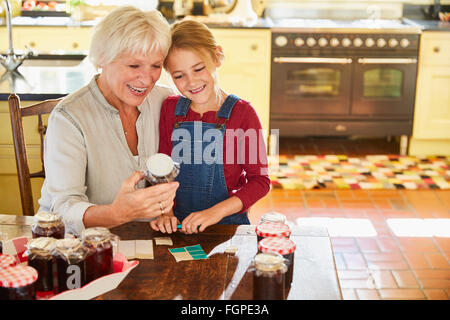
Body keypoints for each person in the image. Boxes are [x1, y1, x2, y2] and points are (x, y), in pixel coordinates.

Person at [38, 6, 179, 236]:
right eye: (134, 65)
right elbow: (62, 209)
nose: (146, 78)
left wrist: (165, 207)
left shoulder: (165, 99)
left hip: (150, 238)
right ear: (102, 58)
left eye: (156, 66)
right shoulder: (68, 117)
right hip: (83, 247)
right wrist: (117, 213)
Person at [150, 20, 270, 234]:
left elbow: (260, 182)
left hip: (227, 226)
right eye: (179, 75)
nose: (191, 81)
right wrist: (165, 211)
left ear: (217, 57)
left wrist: (215, 212)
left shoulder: (243, 114)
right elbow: (163, 171)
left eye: (198, 68)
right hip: (178, 226)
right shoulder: (170, 109)